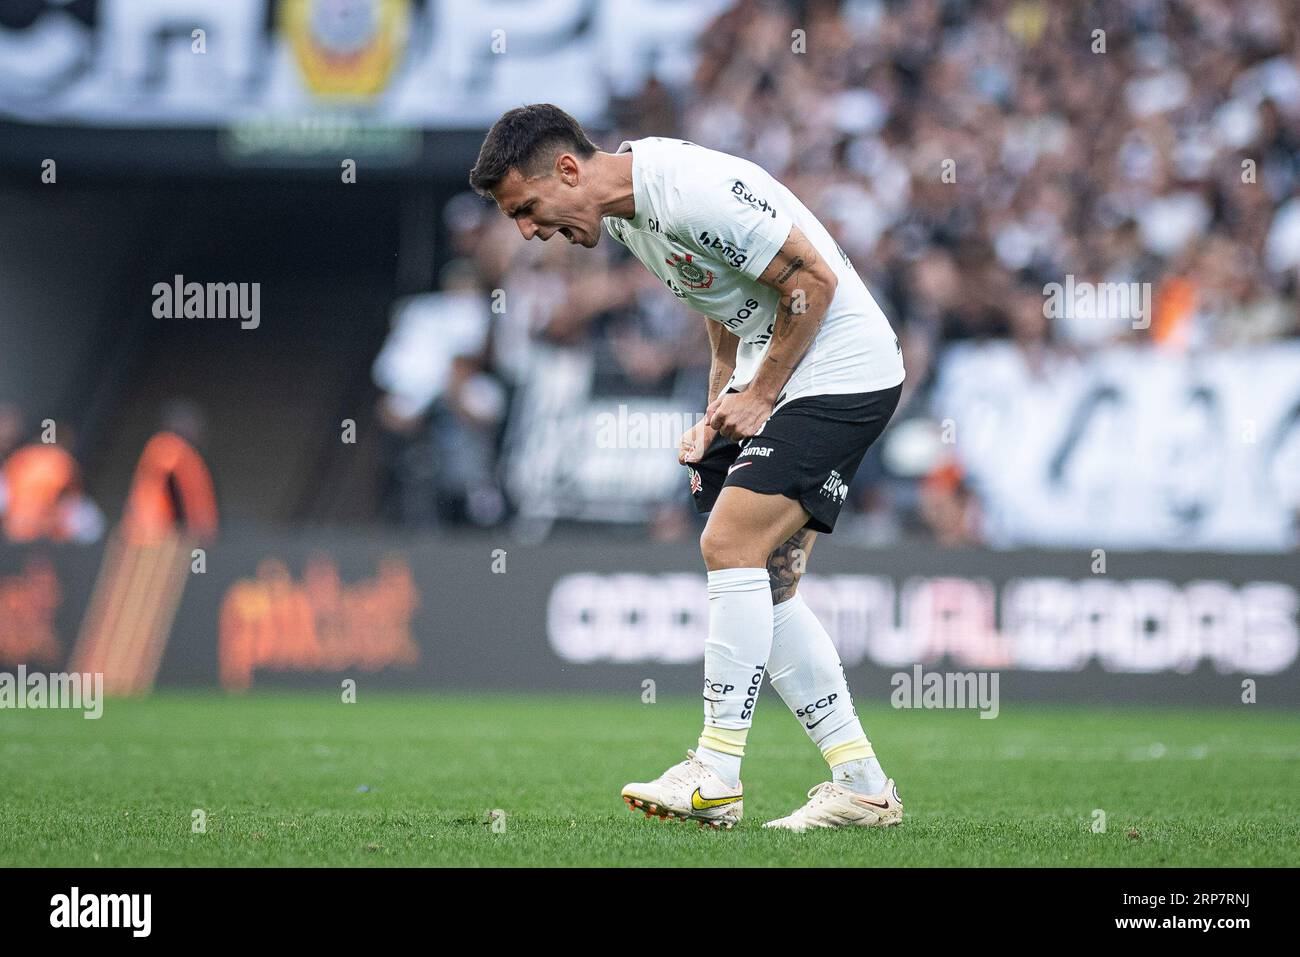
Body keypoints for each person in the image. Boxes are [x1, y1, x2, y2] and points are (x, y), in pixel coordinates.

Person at [469, 104, 906, 831]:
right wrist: (719, 405)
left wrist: (761, 396)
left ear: (570, 170)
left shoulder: (688, 190)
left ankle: (716, 772)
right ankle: (861, 783)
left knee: (728, 543)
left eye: (527, 208)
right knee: (765, 581)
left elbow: (815, 282)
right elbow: (725, 300)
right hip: (784, 372)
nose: (527, 230)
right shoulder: (630, 218)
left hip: (841, 370)